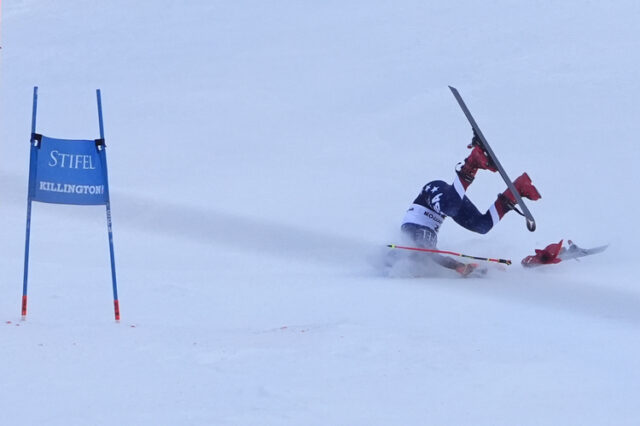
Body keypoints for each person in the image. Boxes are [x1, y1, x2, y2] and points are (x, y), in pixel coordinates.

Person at [400, 134, 541, 276]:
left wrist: (458, 266)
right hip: (447, 206)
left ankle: (472, 162)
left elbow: (430, 253)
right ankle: (516, 191)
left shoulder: (413, 240)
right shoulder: (427, 253)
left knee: (449, 207)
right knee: (482, 226)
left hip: (431, 194)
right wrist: (483, 269)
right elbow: (436, 256)